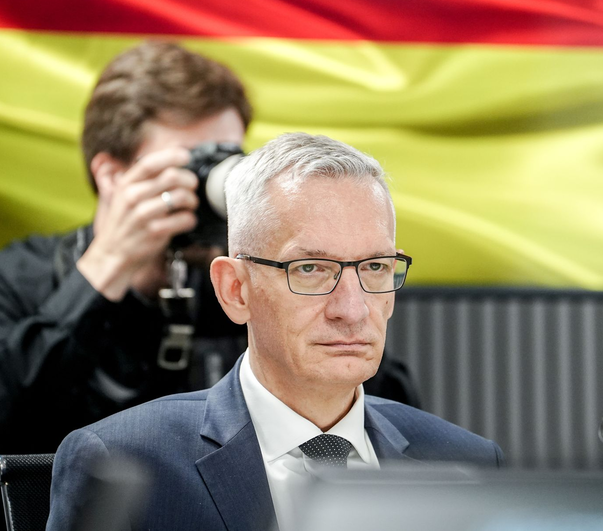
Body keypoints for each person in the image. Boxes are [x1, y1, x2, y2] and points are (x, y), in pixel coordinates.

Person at [46, 133, 503, 531]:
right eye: (310, 269)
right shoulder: (124, 461)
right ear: (235, 290)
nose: (352, 309)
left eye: (375, 267)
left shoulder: (467, 464)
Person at [0, 43, 418, 456]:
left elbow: (386, 411)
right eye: (192, 165)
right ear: (112, 174)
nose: (211, 185)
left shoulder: (250, 277)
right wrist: (108, 264)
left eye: (226, 159)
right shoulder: (22, 277)